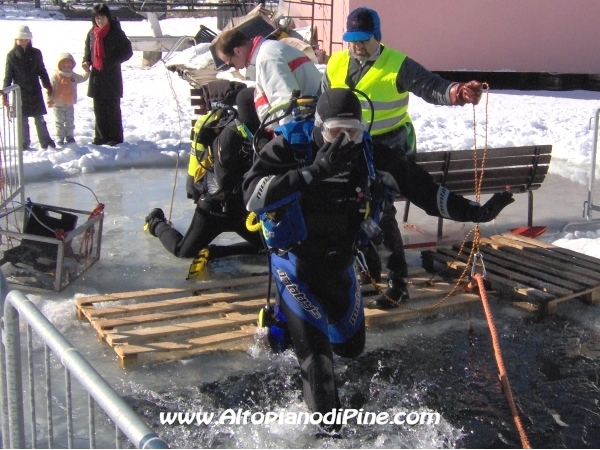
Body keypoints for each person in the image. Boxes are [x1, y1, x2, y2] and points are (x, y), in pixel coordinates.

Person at [242, 88, 513, 424]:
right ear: (317, 128)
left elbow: (425, 190)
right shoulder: (292, 148)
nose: (343, 141)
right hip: (295, 267)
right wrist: (313, 171)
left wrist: (476, 212)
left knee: (351, 350)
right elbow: (251, 196)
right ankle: (329, 439)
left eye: (352, 132)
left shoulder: (370, 154)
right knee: (320, 369)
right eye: (334, 133)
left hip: (340, 267)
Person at [322, 6, 483, 308]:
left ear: (377, 36)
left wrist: (457, 91)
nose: (357, 46)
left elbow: (432, 86)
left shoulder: (397, 64)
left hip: (391, 149)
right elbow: (325, 103)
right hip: (353, 148)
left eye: (364, 39)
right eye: (352, 39)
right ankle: (369, 278)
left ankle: (397, 285)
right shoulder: (336, 62)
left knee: (380, 214)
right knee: (352, 210)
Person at [144, 88, 264, 268]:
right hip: (214, 207)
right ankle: (155, 222)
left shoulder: (258, 133)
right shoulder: (230, 135)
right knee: (183, 251)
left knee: (271, 246)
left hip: (240, 208)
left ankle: (216, 251)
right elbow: (224, 179)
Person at [214, 28, 321, 127]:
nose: (236, 68)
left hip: (308, 121)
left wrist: (287, 138)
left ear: (238, 51)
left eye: (231, 64)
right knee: (244, 97)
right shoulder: (267, 49)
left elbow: (286, 105)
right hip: (311, 111)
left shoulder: (267, 59)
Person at [82, 3, 132, 146]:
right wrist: (86, 61)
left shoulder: (116, 32)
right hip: (97, 75)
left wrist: (110, 62)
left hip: (111, 75)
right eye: (97, 18)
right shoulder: (92, 33)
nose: (99, 21)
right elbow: (88, 51)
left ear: (108, 17)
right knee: (99, 108)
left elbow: (127, 52)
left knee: (112, 108)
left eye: (102, 17)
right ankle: (100, 137)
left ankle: (114, 138)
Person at [2, 25, 56, 150]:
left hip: (34, 90)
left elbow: (41, 70)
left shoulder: (36, 53)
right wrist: (5, 92)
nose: (24, 42)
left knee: (39, 118)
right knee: (22, 119)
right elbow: (8, 75)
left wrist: (47, 84)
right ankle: (24, 142)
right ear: (16, 40)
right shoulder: (11, 55)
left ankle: (45, 141)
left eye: (26, 40)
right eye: (21, 39)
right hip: (19, 92)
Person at [47, 53, 90, 146]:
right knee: (59, 121)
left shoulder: (73, 76)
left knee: (70, 121)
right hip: (58, 104)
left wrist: (87, 71)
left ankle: (69, 136)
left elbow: (82, 78)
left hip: (69, 104)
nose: (67, 68)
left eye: (69, 66)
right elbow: (49, 89)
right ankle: (60, 136)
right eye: (64, 66)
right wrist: (49, 100)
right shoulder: (55, 77)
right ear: (60, 66)